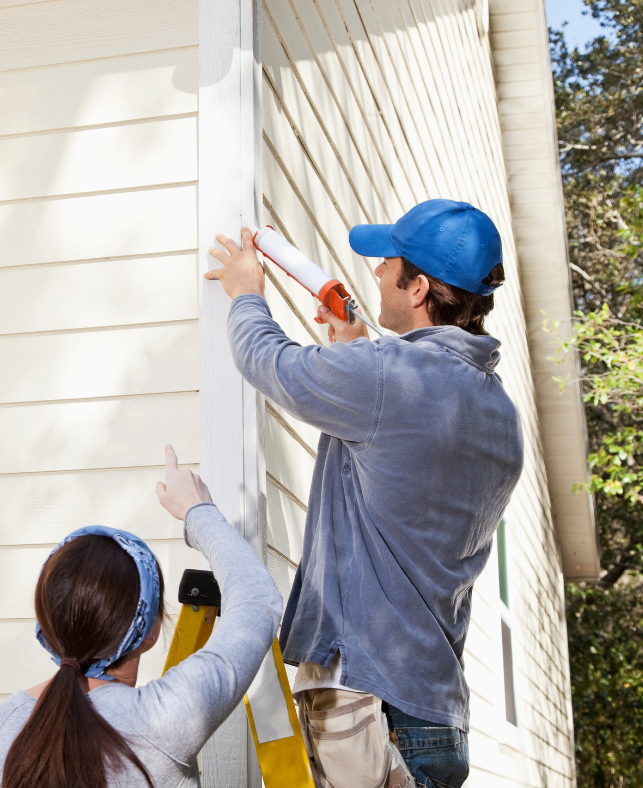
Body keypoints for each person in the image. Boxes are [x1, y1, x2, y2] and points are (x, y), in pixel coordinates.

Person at [205, 200, 525, 788]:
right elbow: (402, 464)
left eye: (387, 262)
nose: (375, 272)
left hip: (367, 701)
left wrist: (247, 292)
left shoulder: (387, 377)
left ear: (420, 287)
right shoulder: (500, 413)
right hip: (436, 713)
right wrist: (356, 344)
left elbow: (266, 360)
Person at [0, 445, 282, 788]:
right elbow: (256, 599)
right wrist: (196, 510)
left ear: (47, 625)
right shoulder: (160, 721)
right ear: (150, 629)